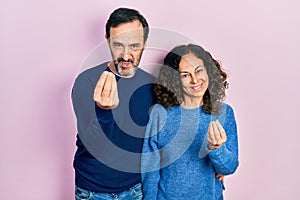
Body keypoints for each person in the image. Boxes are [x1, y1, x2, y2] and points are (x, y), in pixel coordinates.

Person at [71, 7, 155, 200]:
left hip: (135, 190)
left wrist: (212, 165)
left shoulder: (151, 85)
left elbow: (162, 138)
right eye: (118, 45)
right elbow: (93, 144)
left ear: (144, 43)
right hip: (92, 191)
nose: (126, 56)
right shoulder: (87, 81)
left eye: (134, 46)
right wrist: (104, 111)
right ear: (107, 40)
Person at [141, 44, 239, 200]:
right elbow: (150, 167)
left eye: (199, 70)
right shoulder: (160, 113)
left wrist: (217, 149)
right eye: (185, 75)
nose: (195, 80)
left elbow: (229, 168)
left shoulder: (224, 113)